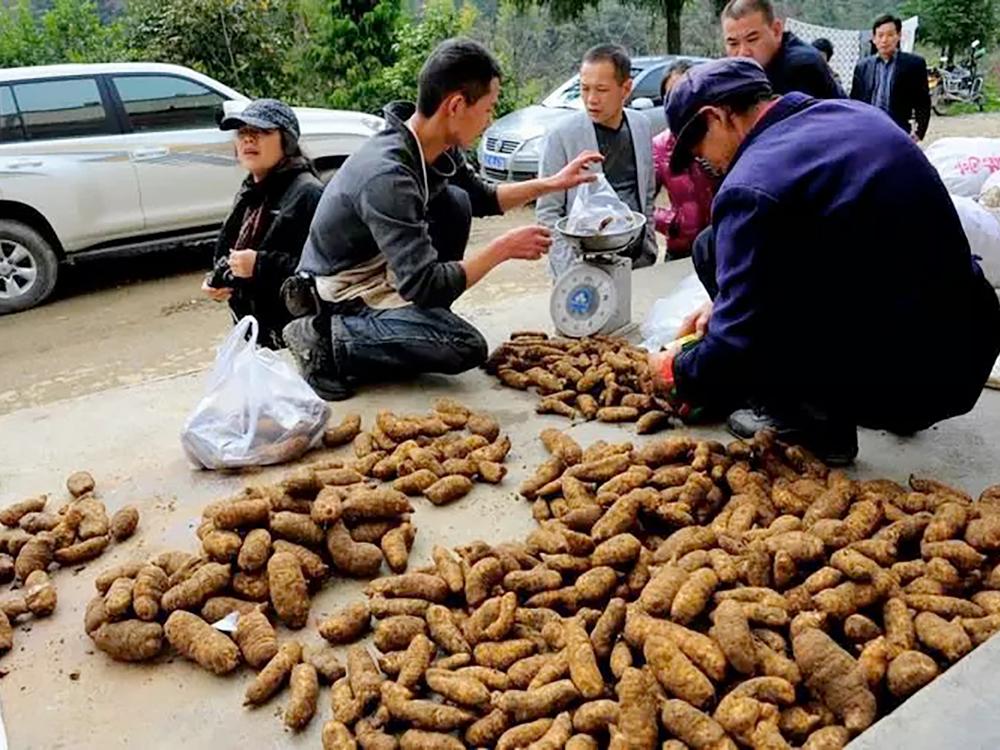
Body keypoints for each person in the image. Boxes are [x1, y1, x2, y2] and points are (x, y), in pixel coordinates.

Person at [649, 58, 1000, 464]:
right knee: (716, 246)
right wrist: (729, 301)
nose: (706, 166)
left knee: (712, 250)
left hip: (908, 383)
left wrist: (681, 372)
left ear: (718, 117)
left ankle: (814, 423)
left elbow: (736, 344)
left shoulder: (751, 186)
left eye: (699, 152)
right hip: (966, 348)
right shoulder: (855, 115)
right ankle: (878, 394)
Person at [285, 39, 601, 400]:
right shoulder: (387, 175)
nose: (490, 119)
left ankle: (411, 325)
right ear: (456, 105)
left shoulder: (431, 146)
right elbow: (425, 284)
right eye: (488, 108)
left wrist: (555, 182)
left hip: (381, 272)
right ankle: (326, 338)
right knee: (463, 345)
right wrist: (503, 248)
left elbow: (483, 197)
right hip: (340, 291)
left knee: (456, 201)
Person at [202, 99, 324, 350]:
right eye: (243, 133)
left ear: (287, 141)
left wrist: (261, 265)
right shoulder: (251, 191)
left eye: (261, 132)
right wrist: (217, 280)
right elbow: (230, 252)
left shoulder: (307, 194)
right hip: (257, 336)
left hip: (297, 340)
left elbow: (326, 272)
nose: (248, 139)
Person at [537, 44, 657, 277]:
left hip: (636, 261)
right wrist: (570, 272)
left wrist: (648, 246)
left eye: (601, 90)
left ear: (626, 89)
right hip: (581, 266)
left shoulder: (641, 125)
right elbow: (548, 213)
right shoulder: (562, 135)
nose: (591, 99)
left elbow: (646, 193)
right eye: (584, 89)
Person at [651, 60, 718, 259]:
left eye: (686, 94)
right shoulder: (659, 146)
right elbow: (642, 204)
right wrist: (674, 222)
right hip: (681, 250)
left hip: (724, 243)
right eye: (671, 96)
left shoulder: (721, 134)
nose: (680, 103)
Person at [721, 0, 843, 99]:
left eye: (752, 39)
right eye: (733, 44)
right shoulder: (740, 70)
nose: (743, 53)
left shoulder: (801, 65)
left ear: (776, 31)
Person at [851, 14, 931, 142]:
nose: (884, 40)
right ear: (874, 38)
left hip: (898, 130)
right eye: (880, 35)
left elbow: (923, 102)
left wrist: (919, 133)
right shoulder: (862, 67)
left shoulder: (913, 65)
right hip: (867, 130)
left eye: (890, 35)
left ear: (898, 36)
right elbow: (855, 101)